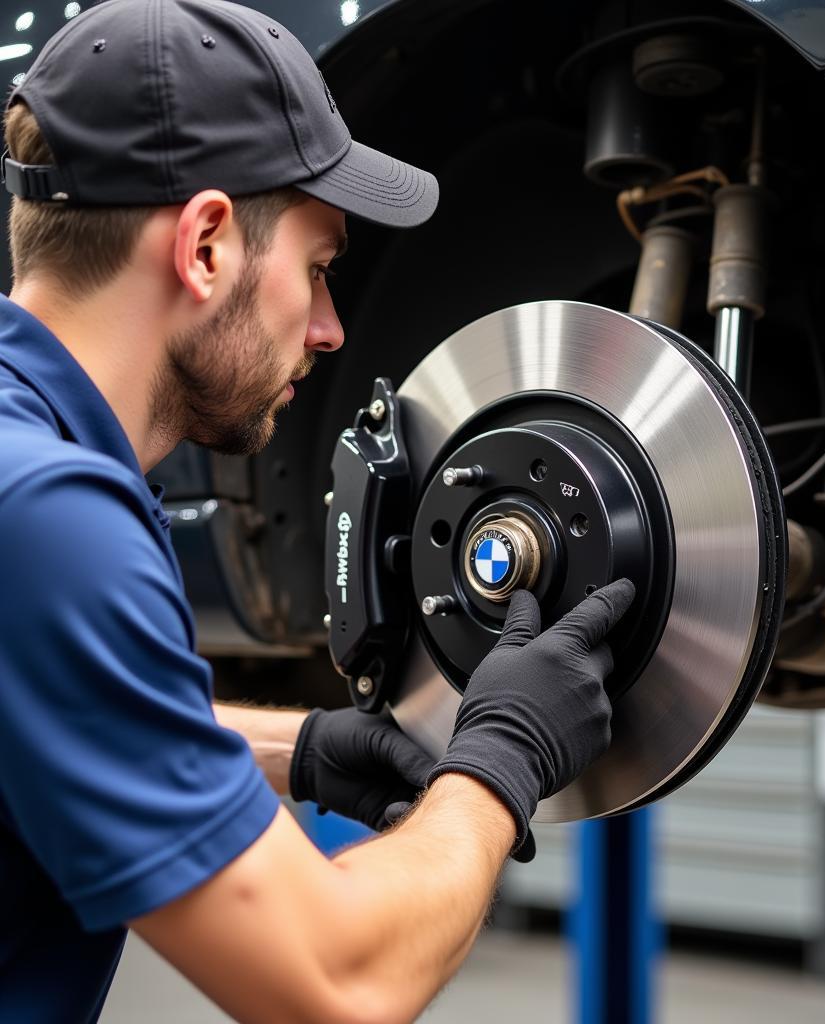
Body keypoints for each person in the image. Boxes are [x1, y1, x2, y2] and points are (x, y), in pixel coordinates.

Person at [0, 2, 635, 1022]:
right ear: (206, 245)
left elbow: (35, 707)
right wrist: (500, 757)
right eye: (319, 267)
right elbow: (336, 980)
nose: (334, 327)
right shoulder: (51, 520)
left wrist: (294, 751)